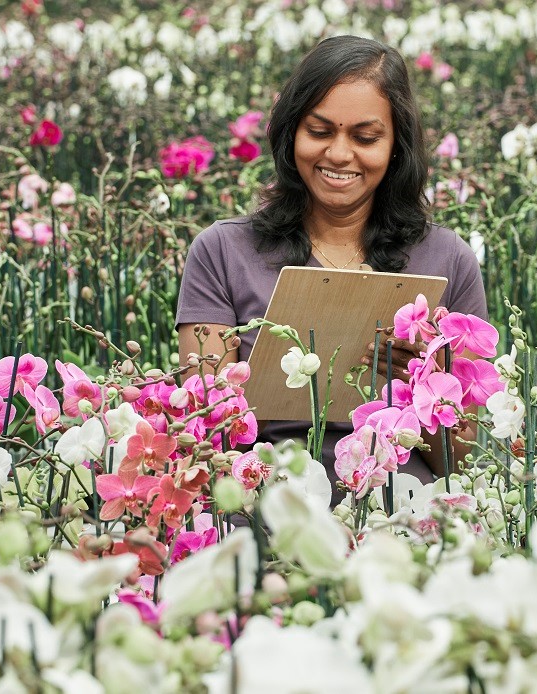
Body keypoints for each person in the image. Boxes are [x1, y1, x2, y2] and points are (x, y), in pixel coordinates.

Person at [176, 36, 487, 481]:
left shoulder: (447, 258)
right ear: (290, 133)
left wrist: (428, 382)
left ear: (397, 145)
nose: (339, 154)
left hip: (401, 509)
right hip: (270, 496)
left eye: (365, 137)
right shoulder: (223, 252)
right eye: (319, 132)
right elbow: (206, 431)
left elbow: (463, 462)